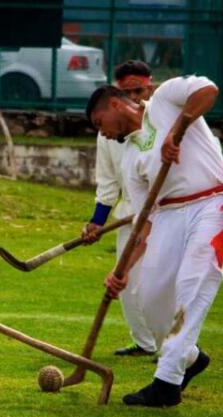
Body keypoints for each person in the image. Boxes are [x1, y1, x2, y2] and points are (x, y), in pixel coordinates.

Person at [86, 77, 223, 407]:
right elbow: (144, 223)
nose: (101, 133)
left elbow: (209, 91)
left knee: (192, 283)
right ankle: (190, 358)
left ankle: (166, 384)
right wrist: (123, 271)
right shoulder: (131, 157)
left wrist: (178, 128)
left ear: (116, 105)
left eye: (99, 124)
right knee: (151, 297)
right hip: (168, 215)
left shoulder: (166, 99)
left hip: (212, 203)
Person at [82, 60, 157, 358]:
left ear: (148, 87)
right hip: (130, 215)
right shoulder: (107, 133)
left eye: (140, 90)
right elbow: (108, 181)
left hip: (167, 216)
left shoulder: (161, 119)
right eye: (129, 92)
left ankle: (175, 346)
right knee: (124, 281)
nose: (136, 98)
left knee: (159, 283)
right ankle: (144, 343)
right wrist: (96, 222)